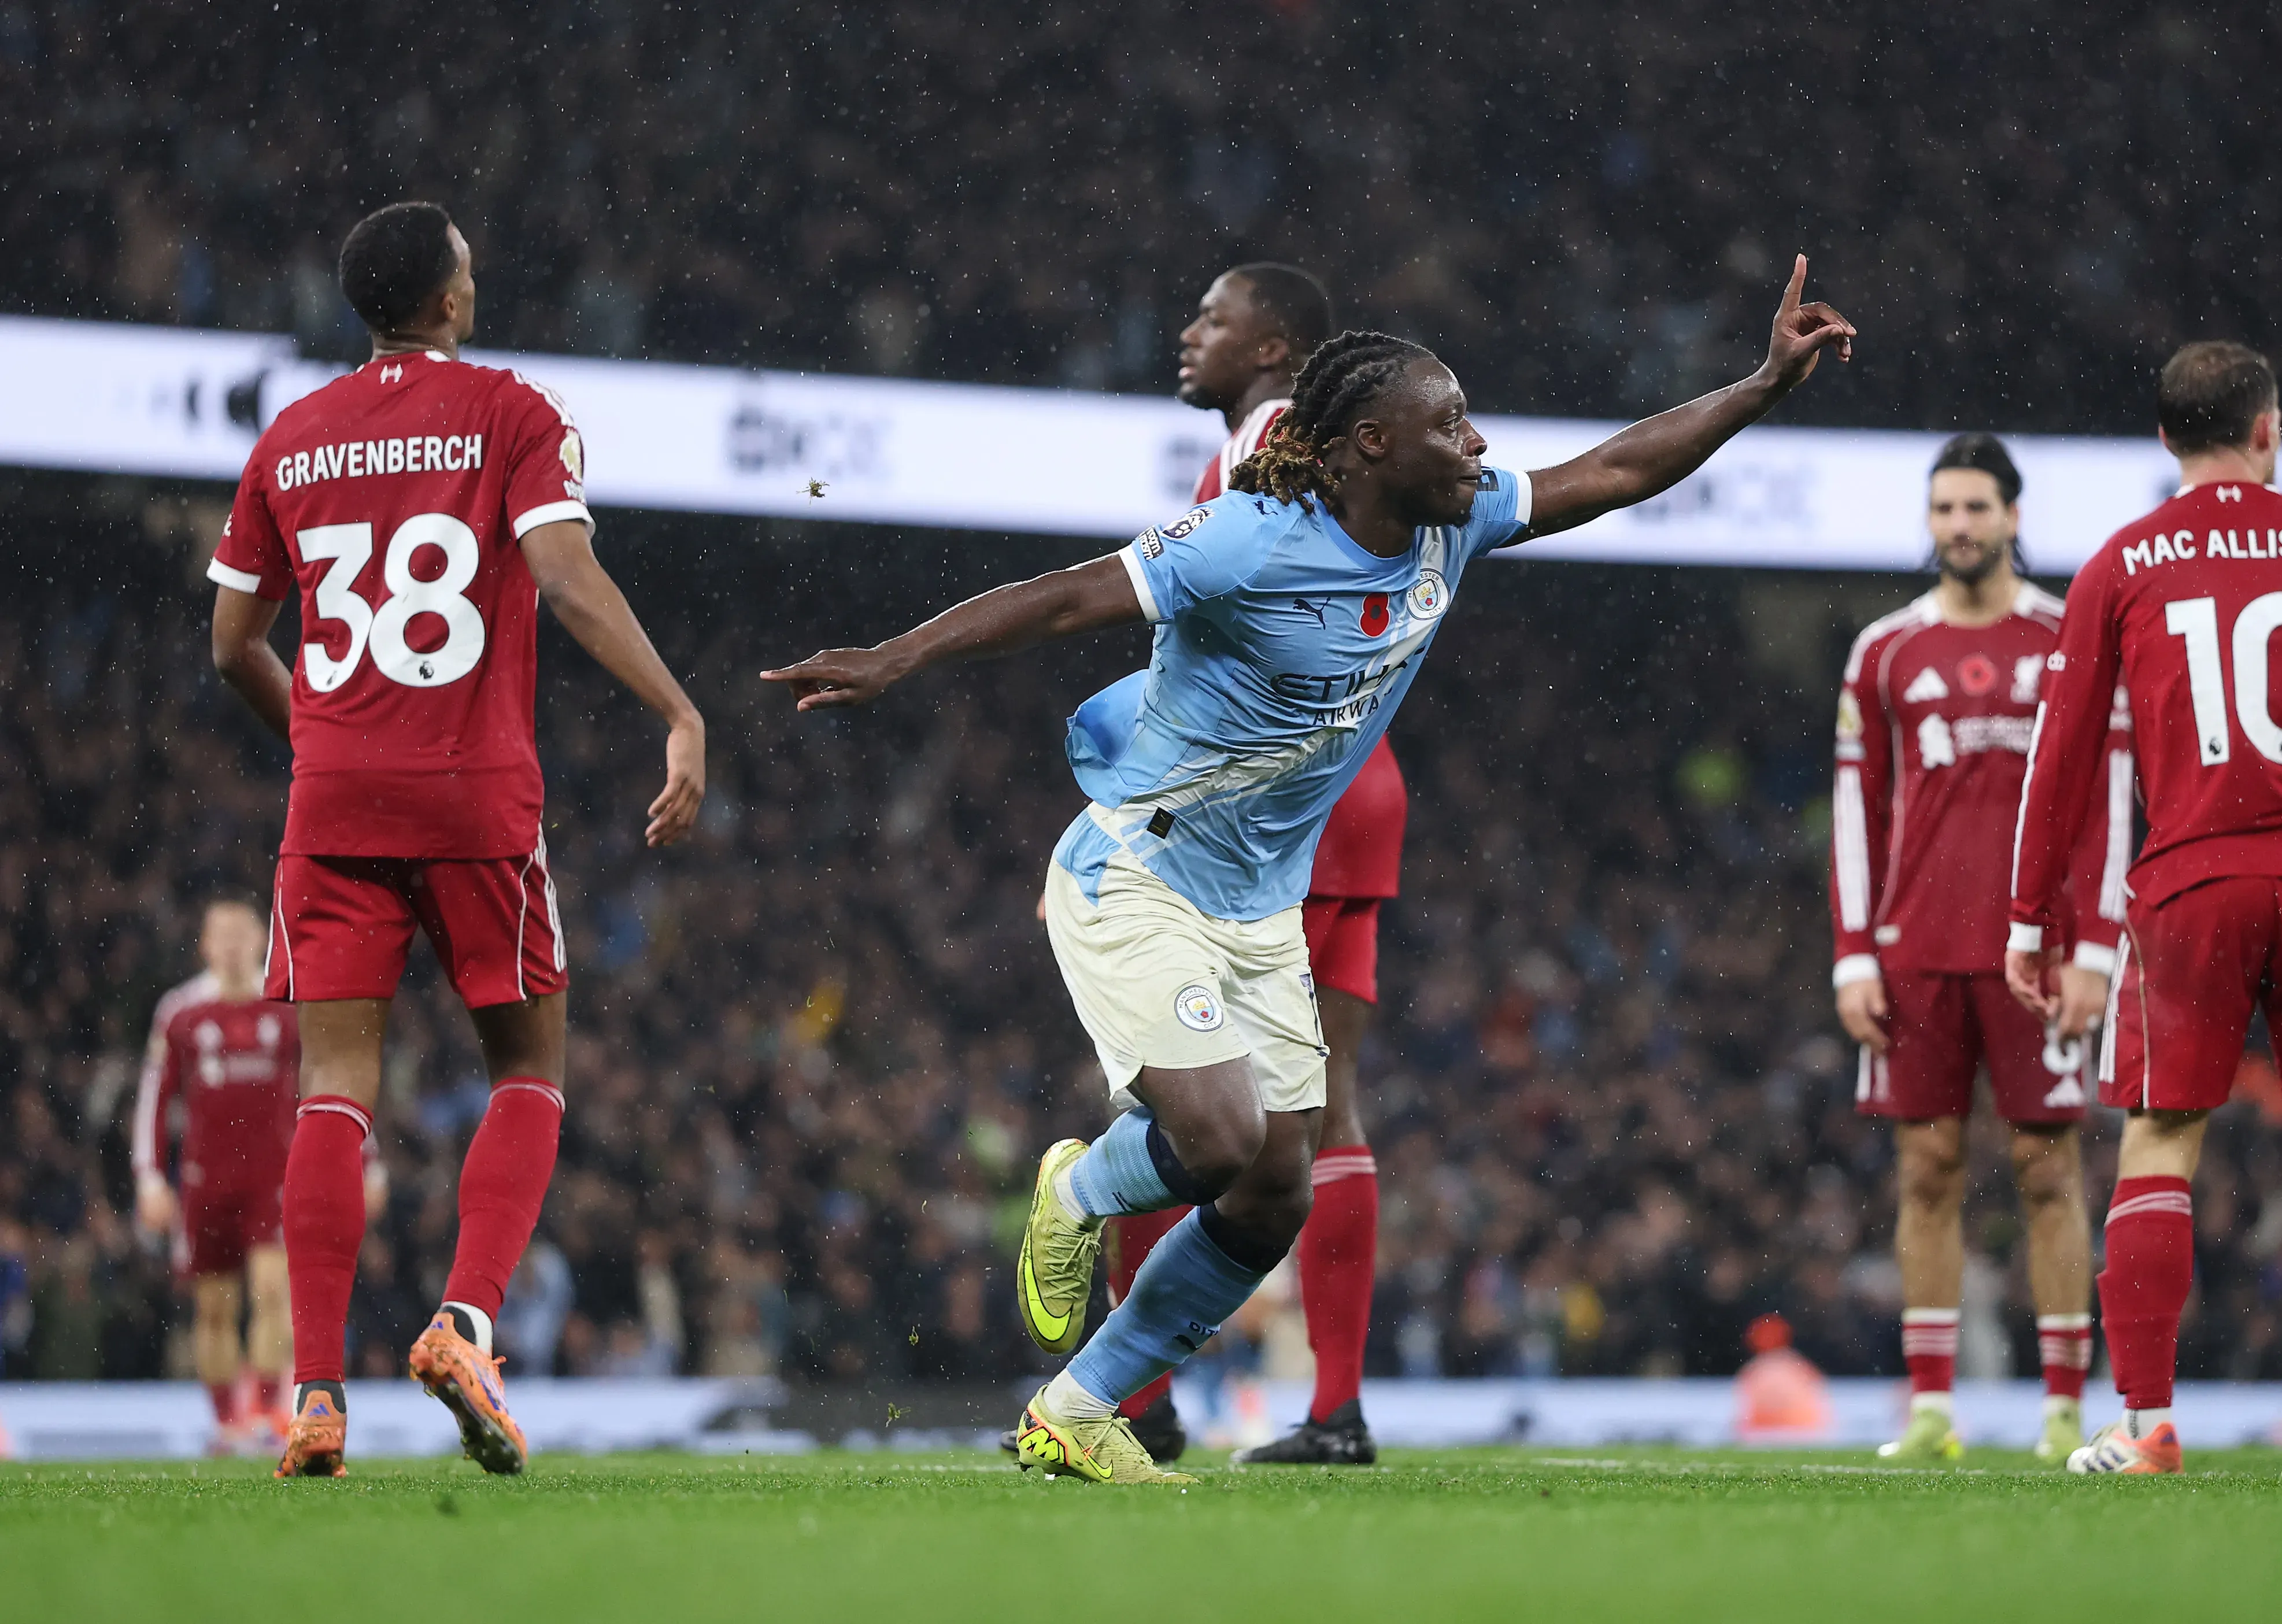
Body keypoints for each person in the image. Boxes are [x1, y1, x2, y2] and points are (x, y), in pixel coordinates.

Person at [769, 260, 1855, 1486]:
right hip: (1140, 871)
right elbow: (1073, 594)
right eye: (1450, 423)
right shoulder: (1246, 540)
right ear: (1370, 444)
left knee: (1278, 1185)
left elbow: (1608, 473)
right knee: (1228, 1140)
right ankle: (1080, 1191)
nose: (1476, 441)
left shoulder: (1457, 515)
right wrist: (897, 658)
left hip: (1259, 907)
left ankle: (1077, 1407)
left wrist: (1761, 384)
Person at [208, 201, 705, 1478]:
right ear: (443, 300)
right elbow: (569, 580)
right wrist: (676, 708)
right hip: (474, 794)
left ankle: (314, 1395)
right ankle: (465, 1321)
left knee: (333, 1090)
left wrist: (323, 741)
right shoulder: (509, 412)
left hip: (334, 805)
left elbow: (230, 645)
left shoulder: (292, 436)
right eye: (468, 270)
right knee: (528, 1068)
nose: (476, 285)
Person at [2007, 341, 2282, 1475]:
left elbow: (2060, 754)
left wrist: (2029, 918)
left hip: (2190, 873)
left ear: (2163, 441)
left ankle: (2146, 1424)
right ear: (2266, 431)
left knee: (2159, 1139)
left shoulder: (2121, 562)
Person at [1104, 262, 1406, 1468]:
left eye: (1212, 318)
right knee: (1326, 1110)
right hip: (1354, 791)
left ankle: (1135, 1396)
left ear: (1274, 344)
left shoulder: (1267, 444)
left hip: (1262, 803)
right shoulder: (1330, 455)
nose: (1187, 332)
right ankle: (1333, 1409)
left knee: (1168, 1089)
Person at [1830, 434, 2126, 1466]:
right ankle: (1931, 1410)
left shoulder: (2067, 638)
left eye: (1976, 507)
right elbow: (1856, 811)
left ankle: (2059, 1409)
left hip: (2035, 957)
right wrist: (1852, 953)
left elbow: (2105, 801)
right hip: (1914, 952)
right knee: (1928, 1168)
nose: (1958, 525)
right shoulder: (1884, 652)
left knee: (2049, 1169)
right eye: (1943, 508)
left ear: (2012, 515)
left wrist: (2096, 943)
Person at [133, 900, 299, 1454]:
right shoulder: (180, 1012)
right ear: (204, 944)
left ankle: (269, 1412)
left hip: (273, 1180)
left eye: (241, 933)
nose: (231, 944)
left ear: (260, 939)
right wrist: (150, 1178)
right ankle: (229, 1423)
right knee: (214, 1308)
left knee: (274, 1292)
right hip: (205, 1184)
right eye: (220, 934)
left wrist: (365, 1157)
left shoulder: (287, 1005)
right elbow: (154, 1100)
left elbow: (326, 1084)